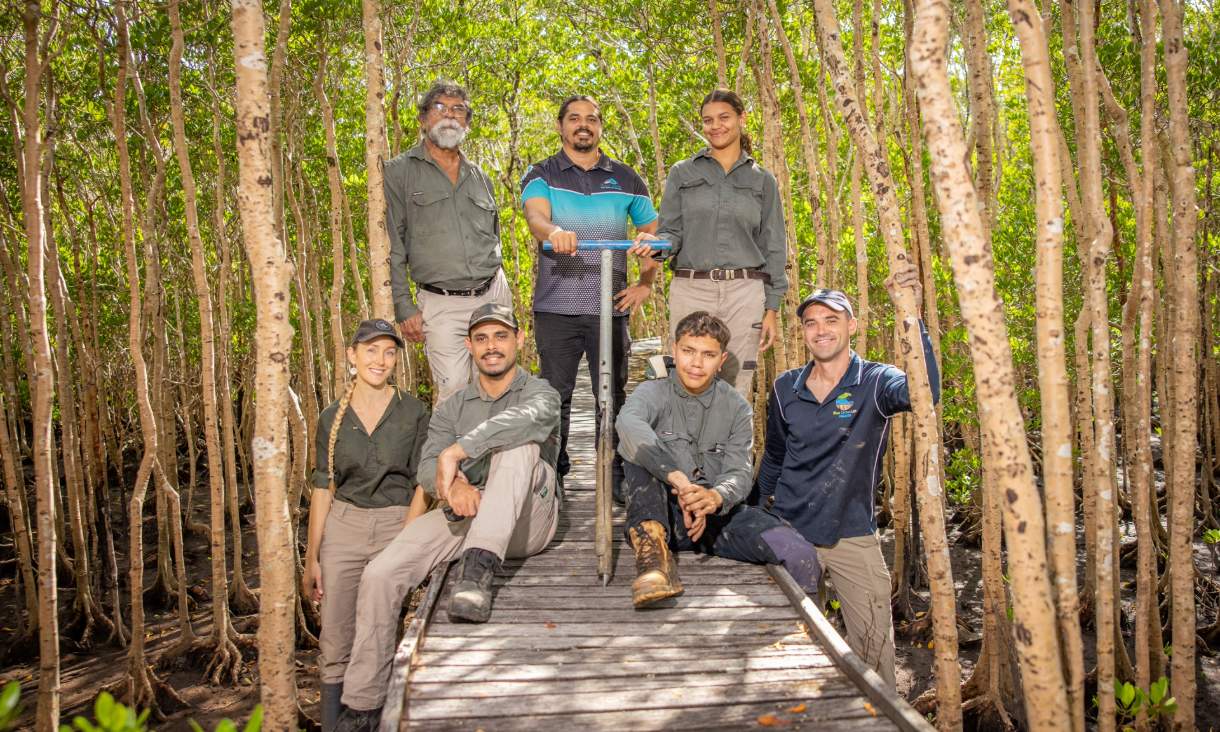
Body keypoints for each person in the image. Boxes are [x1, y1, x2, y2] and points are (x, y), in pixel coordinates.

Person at [335, 303, 561, 731]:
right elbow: (426, 467)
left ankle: (476, 574)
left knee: (518, 447)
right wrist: (451, 486)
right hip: (469, 512)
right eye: (481, 339)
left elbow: (527, 422)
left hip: (528, 521)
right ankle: (362, 705)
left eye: (500, 336)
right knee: (381, 573)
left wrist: (459, 452)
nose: (491, 347)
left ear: (519, 340)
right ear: (469, 347)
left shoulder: (541, 393)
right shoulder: (452, 406)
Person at [753, 270, 939, 691]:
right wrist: (755, 516)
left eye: (831, 320)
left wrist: (911, 315)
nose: (821, 330)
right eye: (811, 322)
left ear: (852, 326)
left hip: (853, 536)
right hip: (789, 534)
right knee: (793, 649)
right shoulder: (785, 388)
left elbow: (923, 393)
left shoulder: (875, 381)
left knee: (875, 653)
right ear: (802, 332)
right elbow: (776, 456)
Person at [615, 311, 820, 609]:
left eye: (708, 355)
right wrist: (678, 479)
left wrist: (713, 497)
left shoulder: (737, 408)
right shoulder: (651, 393)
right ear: (674, 350)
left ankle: (814, 631)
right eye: (688, 351)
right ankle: (654, 564)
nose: (696, 363)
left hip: (716, 517)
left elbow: (739, 472)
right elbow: (628, 424)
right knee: (638, 454)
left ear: (721, 360)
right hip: (662, 518)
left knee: (799, 551)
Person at [521, 95, 659, 494]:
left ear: (600, 127)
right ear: (561, 125)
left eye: (592, 119)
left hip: (610, 308)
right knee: (554, 397)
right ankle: (553, 476)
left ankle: (616, 474)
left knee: (612, 395)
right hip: (556, 308)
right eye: (575, 118)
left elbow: (651, 232)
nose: (584, 125)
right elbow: (536, 217)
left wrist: (645, 284)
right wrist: (553, 233)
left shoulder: (626, 177)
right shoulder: (541, 173)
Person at [302, 319, 431, 732]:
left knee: (380, 632)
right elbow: (323, 488)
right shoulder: (330, 418)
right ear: (352, 355)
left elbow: (421, 485)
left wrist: (407, 541)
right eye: (371, 350)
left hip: (396, 522)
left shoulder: (413, 411)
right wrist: (312, 558)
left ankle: (373, 721)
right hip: (344, 526)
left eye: (389, 352)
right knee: (335, 640)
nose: (380, 360)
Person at [635, 89, 787, 396]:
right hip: (692, 288)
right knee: (687, 381)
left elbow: (774, 246)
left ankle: (731, 447)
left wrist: (771, 307)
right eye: (707, 120)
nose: (715, 126)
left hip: (745, 293)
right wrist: (656, 243)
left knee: (736, 386)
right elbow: (671, 233)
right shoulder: (683, 172)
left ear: (741, 119)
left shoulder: (763, 180)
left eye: (724, 118)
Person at [385, 79, 513, 402]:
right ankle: (450, 454)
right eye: (440, 108)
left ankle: (500, 454)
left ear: (467, 122)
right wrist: (403, 305)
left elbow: (493, 234)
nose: (449, 116)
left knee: (499, 385)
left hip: (493, 292)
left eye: (458, 110)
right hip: (442, 302)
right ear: (424, 118)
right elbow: (392, 243)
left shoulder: (480, 177)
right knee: (454, 390)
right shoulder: (398, 172)